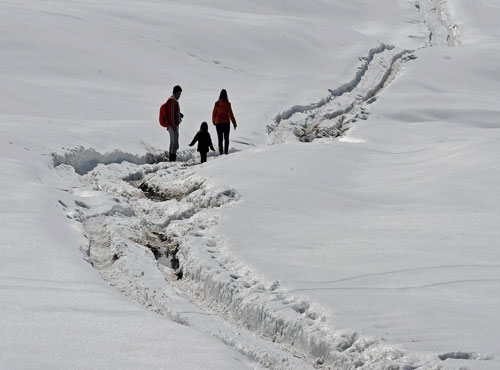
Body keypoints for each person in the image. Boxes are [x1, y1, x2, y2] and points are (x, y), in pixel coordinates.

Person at [212, 89, 237, 155]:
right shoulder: (228, 104)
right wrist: (234, 123)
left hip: (218, 123)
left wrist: (214, 121)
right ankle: (225, 153)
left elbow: (214, 113)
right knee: (226, 138)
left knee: (220, 139)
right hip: (226, 123)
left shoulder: (217, 104)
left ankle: (221, 153)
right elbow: (231, 114)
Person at [164, 85, 183, 162]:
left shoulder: (172, 100)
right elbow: (171, 114)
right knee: (175, 144)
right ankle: (172, 160)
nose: (179, 96)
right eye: (179, 94)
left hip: (172, 125)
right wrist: (174, 125)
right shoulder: (172, 100)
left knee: (172, 143)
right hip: (173, 125)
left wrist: (179, 114)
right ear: (175, 92)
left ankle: (171, 160)